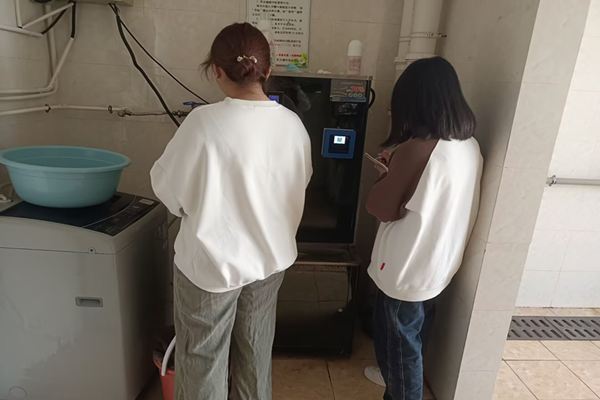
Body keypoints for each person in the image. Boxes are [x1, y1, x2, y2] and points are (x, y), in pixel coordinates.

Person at [150, 22, 312, 400]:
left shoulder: (203, 123)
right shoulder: (293, 126)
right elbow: (298, 185)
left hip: (210, 266)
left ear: (217, 71)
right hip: (268, 263)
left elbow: (168, 190)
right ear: (268, 70)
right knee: (255, 353)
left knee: (203, 358)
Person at [363, 57, 483, 400]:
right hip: (438, 264)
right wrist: (398, 173)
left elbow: (381, 208)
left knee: (399, 355)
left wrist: (386, 176)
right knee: (414, 339)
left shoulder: (415, 149)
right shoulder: (468, 146)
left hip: (404, 267)